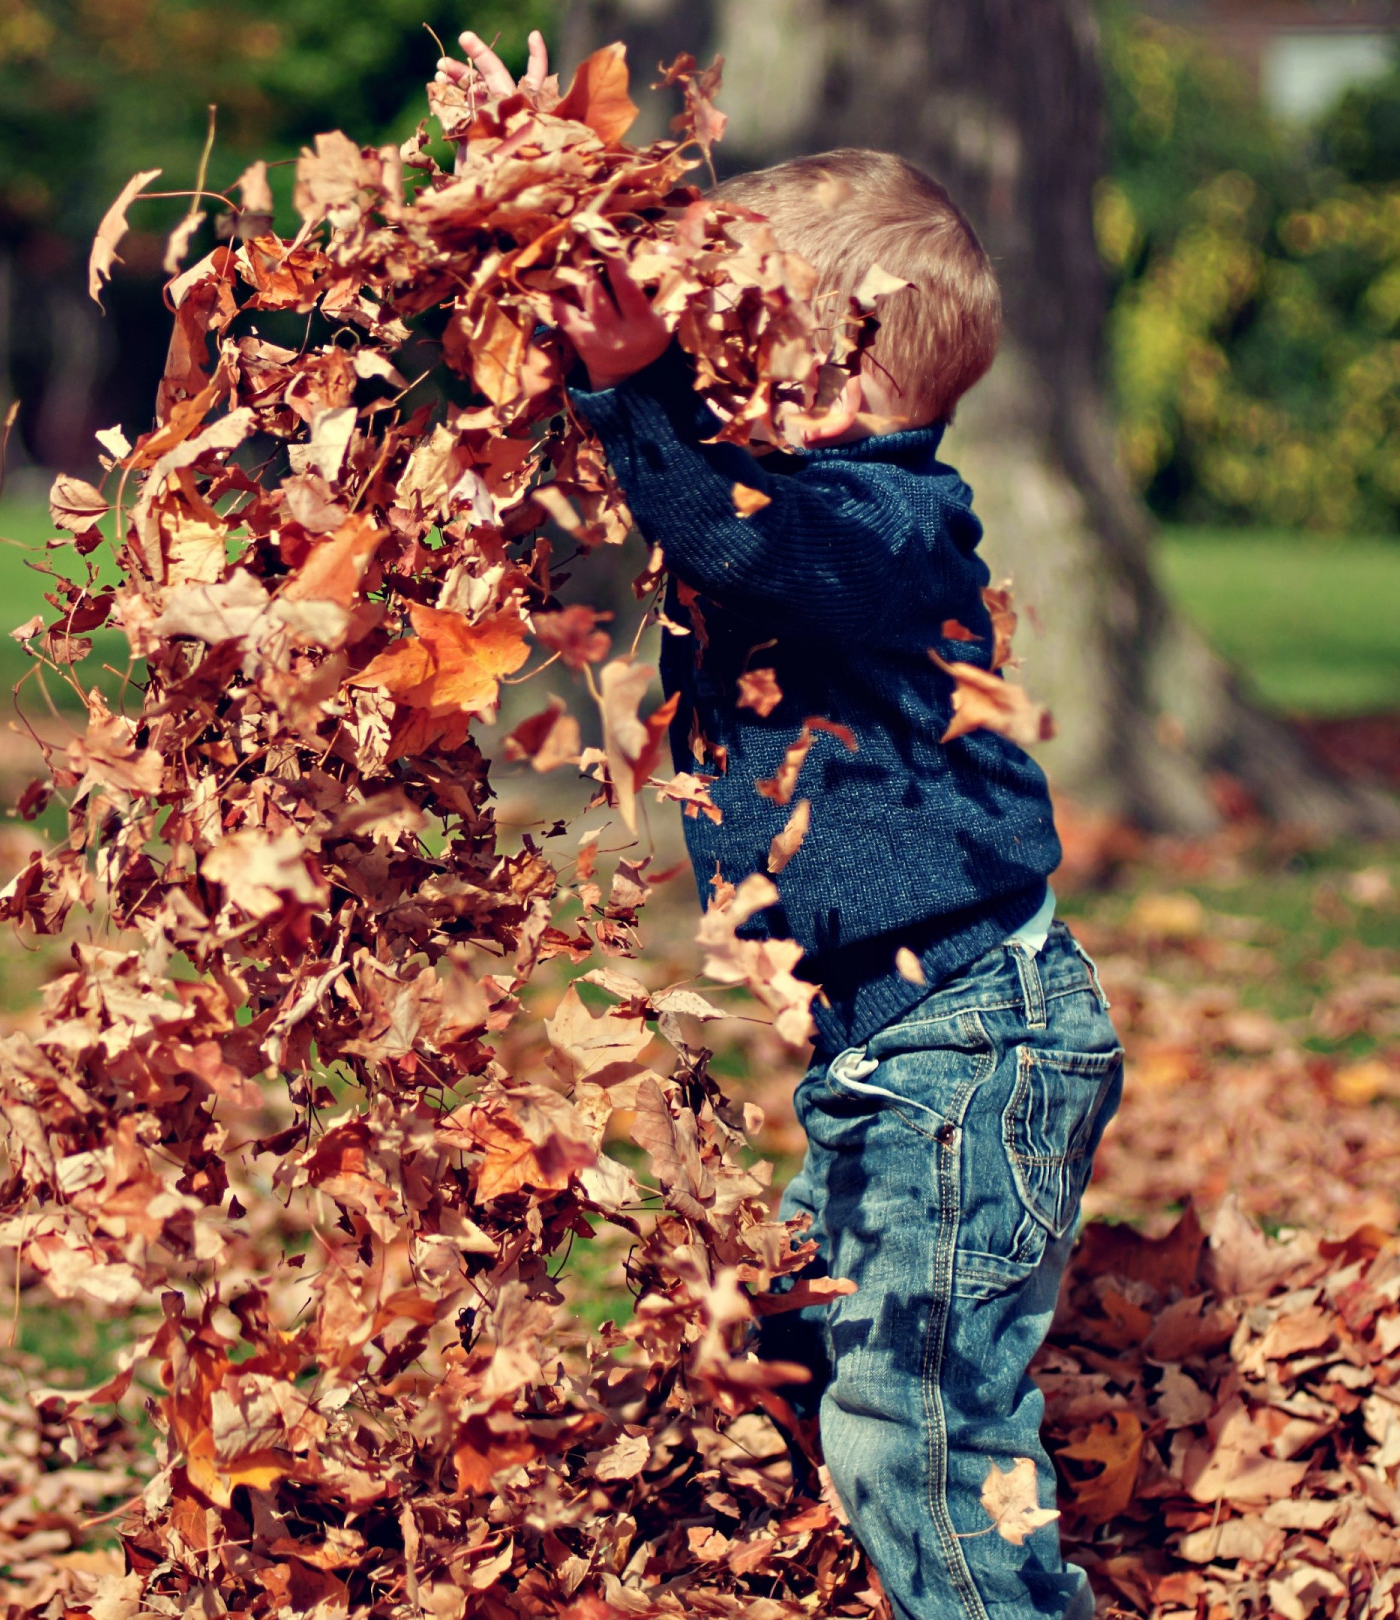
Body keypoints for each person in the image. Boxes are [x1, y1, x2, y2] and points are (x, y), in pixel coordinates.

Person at [442, 32, 1126, 1620]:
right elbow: (693, 498)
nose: (711, 388)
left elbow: (747, 543)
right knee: (803, 1339)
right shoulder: (800, 500)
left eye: (738, 350)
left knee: (924, 1439)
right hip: (898, 1054)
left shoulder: (890, 521)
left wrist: (640, 397)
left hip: (970, 1050)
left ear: (840, 364)